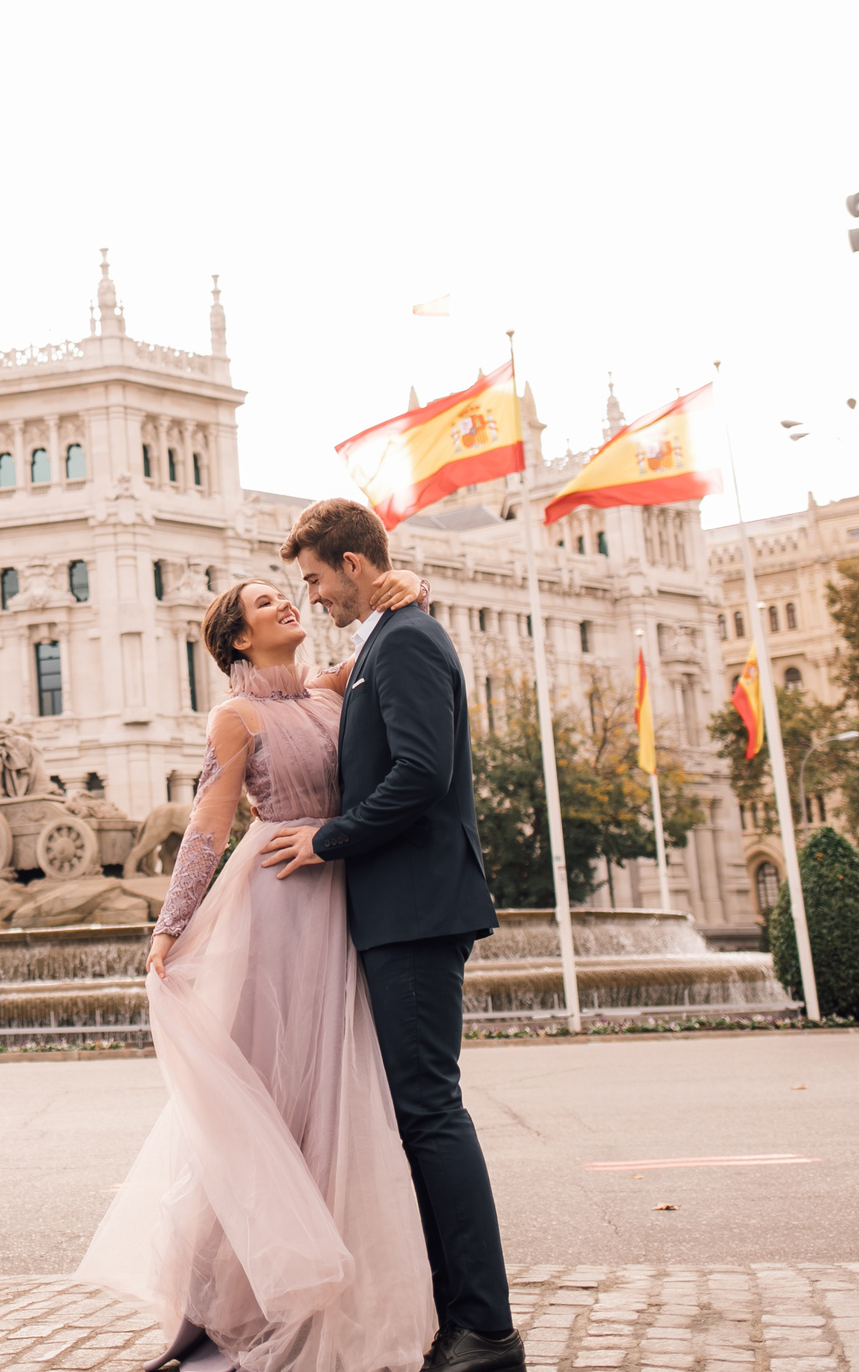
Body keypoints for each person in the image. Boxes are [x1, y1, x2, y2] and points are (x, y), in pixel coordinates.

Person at [79, 559, 438, 1372]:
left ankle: (332, 1293)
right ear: (242, 635)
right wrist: (170, 926)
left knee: (337, 1096)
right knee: (272, 1094)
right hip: (275, 903)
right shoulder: (234, 716)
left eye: (287, 591)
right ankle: (220, 1305)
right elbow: (208, 824)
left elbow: (395, 637)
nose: (288, 600)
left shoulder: (328, 688)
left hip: (343, 892)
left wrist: (412, 584)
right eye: (268, 601)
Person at [260, 498, 521, 1372]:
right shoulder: (388, 635)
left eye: (316, 578)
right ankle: (465, 1321)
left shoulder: (405, 639)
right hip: (401, 907)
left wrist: (327, 838)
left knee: (431, 1112)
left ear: (355, 565)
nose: (314, 596)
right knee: (422, 1115)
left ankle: (484, 1327)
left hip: (415, 907)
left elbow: (421, 771)